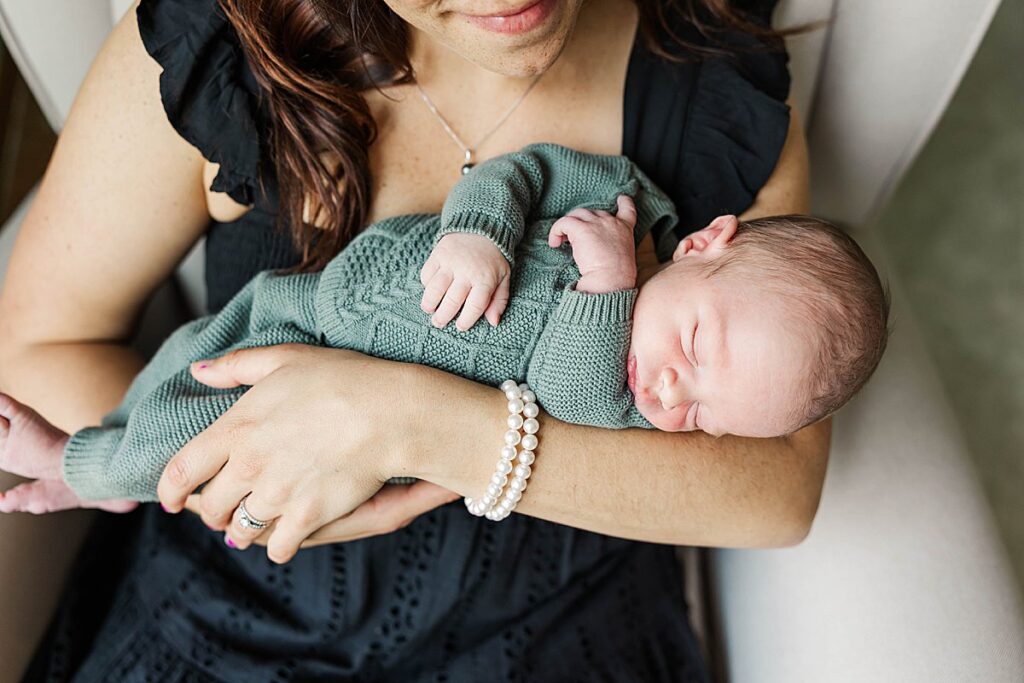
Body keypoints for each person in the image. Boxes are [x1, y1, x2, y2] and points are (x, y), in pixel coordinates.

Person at [0, 0, 829, 680]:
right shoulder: (225, 39)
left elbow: (780, 486)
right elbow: (42, 340)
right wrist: (226, 470)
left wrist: (423, 427)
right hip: (233, 603)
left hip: (556, 623)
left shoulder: (709, 78)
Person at [0, 143, 888, 518]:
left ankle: (78, 467)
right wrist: (481, 230)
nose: (669, 391)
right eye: (695, 349)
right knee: (181, 363)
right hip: (307, 298)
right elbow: (517, 171)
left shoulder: (619, 389)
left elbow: (570, 389)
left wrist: (611, 283)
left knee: (191, 432)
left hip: (310, 390)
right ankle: (117, 451)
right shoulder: (617, 194)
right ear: (701, 243)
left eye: (705, 416)